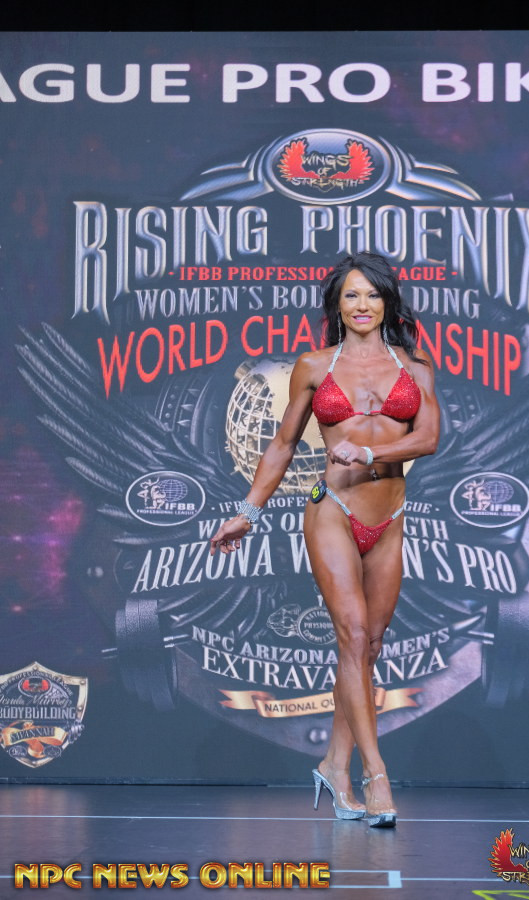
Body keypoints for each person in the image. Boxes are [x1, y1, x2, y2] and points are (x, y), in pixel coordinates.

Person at [210, 252, 440, 827]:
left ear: (387, 302)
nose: (362, 305)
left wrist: (371, 452)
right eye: (351, 296)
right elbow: (283, 444)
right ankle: (376, 776)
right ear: (336, 306)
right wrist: (247, 512)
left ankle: (334, 765)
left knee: (370, 647)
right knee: (354, 635)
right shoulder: (313, 366)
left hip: (389, 517)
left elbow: (428, 438)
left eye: (372, 295)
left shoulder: (415, 366)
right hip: (332, 510)